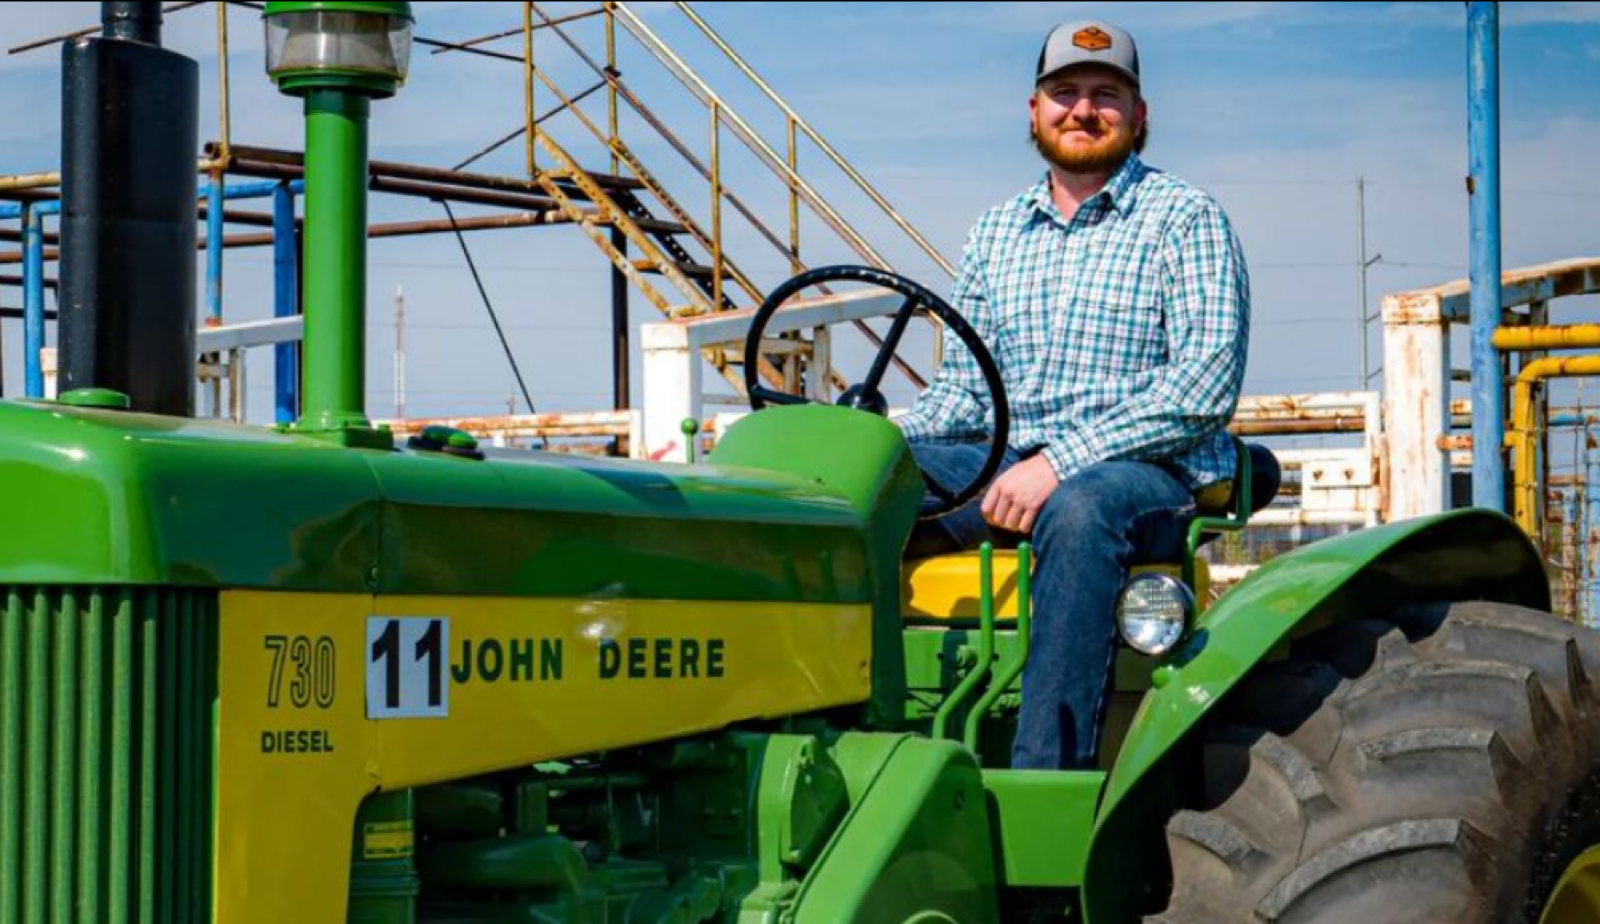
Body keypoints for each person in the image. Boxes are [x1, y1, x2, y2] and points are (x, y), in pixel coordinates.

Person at [895, 19, 1251, 771]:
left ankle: (1045, 779)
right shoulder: (996, 233)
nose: (1082, 110)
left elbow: (1202, 386)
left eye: (1105, 94)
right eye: (1065, 93)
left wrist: (1061, 463)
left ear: (1139, 115)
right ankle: (866, 740)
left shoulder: (1184, 219)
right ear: (1034, 110)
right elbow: (962, 391)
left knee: (1081, 509)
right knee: (870, 486)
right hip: (1010, 465)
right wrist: (875, 445)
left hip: (1144, 471)